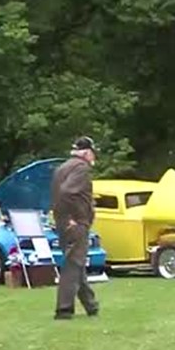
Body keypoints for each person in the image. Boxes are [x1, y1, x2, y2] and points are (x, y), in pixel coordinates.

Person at [50, 136, 101, 320]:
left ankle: (91, 305)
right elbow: (67, 192)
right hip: (75, 224)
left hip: (63, 222)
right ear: (87, 152)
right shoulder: (81, 168)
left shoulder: (62, 168)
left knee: (77, 263)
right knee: (73, 265)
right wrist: (75, 217)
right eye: (93, 153)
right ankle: (63, 309)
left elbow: (58, 194)